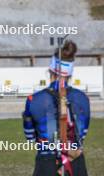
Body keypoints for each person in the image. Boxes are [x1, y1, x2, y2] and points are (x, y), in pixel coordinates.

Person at [22, 40, 90, 176]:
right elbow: (82, 134)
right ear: (70, 74)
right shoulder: (83, 98)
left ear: (51, 71)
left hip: (46, 163)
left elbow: (30, 137)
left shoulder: (33, 100)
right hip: (76, 161)